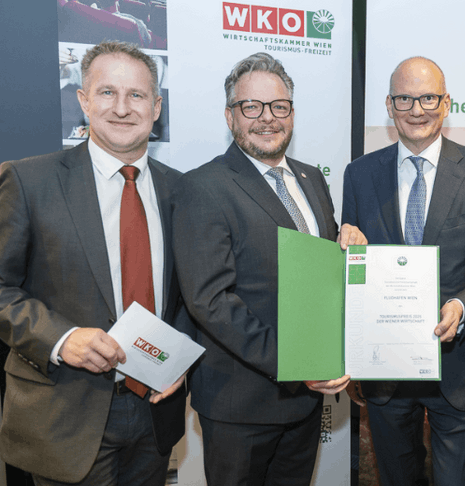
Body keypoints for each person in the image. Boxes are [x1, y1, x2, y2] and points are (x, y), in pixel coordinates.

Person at [172, 52, 367, 486]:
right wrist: (295, 363)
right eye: (251, 107)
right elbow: (210, 301)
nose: (267, 118)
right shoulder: (202, 187)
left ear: (292, 114)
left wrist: (349, 247)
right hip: (240, 405)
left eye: (279, 106)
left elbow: (319, 275)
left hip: (306, 400)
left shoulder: (312, 179)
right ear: (230, 116)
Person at [0, 40, 188, 485]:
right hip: (65, 413)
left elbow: (191, 293)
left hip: (155, 412)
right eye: (107, 92)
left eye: (136, 95)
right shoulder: (28, 180)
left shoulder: (182, 191)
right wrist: (61, 338)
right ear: (84, 101)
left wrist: (180, 359)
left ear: (156, 107)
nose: (122, 108)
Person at [342, 56, 465, 486]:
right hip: (385, 371)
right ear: (389, 104)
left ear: (446, 102)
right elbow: (353, 268)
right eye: (404, 99)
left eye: (428, 98)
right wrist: (345, 252)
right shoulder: (359, 174)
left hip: (460, 368)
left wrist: (462, 306)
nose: (416, 109)